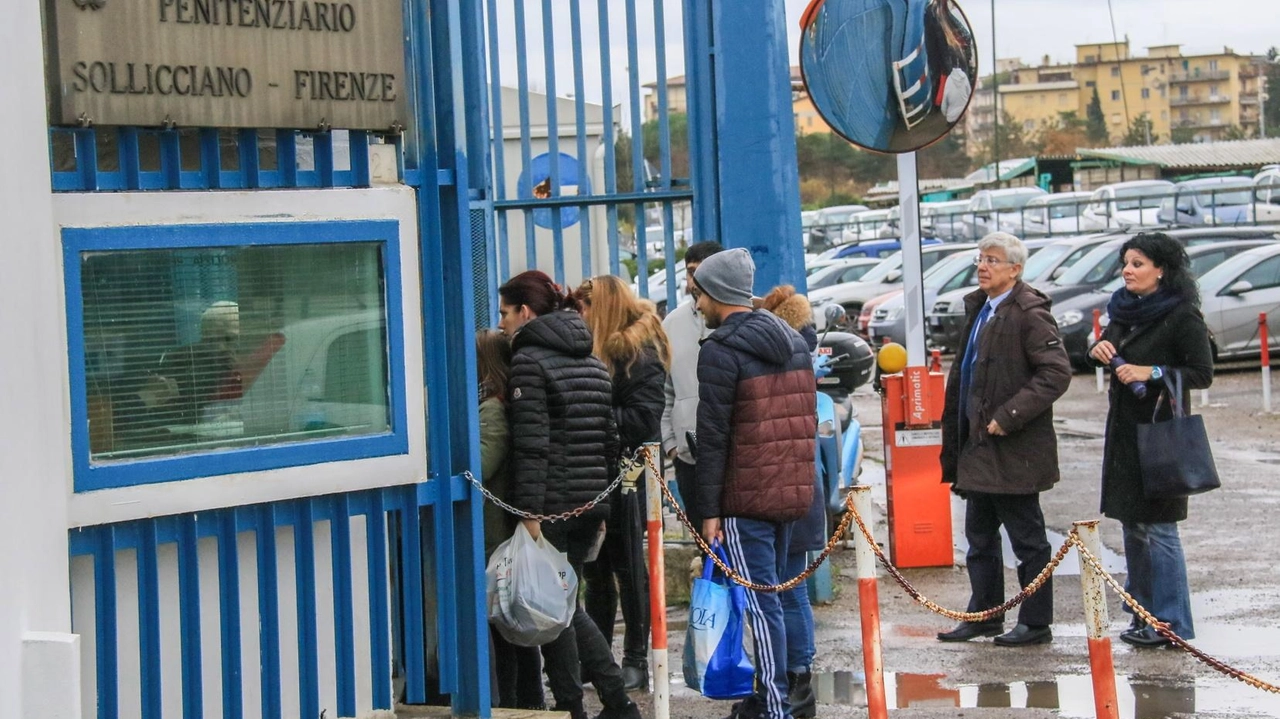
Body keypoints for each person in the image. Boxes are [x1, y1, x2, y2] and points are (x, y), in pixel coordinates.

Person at [498, 270, 640, 719]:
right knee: (560, 605)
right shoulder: (592, 360)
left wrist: (529, 513)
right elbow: (609, 440)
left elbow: (533, 444)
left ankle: (608, 703)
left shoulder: (529, 362)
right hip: (586, 504)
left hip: (552, 508)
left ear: (525, 311)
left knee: (557, 610)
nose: (500, 323)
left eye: (504, 313)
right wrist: (601, 506)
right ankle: (583, 705)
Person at [691, 248, 817, 719]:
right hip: (790, 493)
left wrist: (709, 512)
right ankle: (777, 699)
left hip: (745, 500)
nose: (696, 300)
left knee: (761, 608)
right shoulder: (795, 341)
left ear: (716, 293)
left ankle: (775, 706)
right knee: (779, 599)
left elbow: (714, 436)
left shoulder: (721, 351)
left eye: (699, 291)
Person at [937, 232, 1071, 647]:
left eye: (992, 260)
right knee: (978, 539)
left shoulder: (1029, 312)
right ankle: (985, 614)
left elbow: (1056, 373)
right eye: (980, 258)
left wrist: (1009, 416)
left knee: (1028, 541)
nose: (983, 266)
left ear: (1015, 269)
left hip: (1013, 450)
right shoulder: (982, 308)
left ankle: (1035, 622)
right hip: (977, 448)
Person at [1087, 232, 1213, 648]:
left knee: (1159, 529)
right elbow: (1110, 345)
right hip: (1125, 435)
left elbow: (1201, 372)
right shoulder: (1124, 311)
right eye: (1126, 262)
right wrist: (1101, 349)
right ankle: (1143, 613)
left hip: (1162, 436)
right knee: (1132, 526)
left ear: (1162, 270)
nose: (1128, 270)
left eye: (1138, 263)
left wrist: (1150, 372)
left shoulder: (1182, 316)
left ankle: (1173, 622)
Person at [569, 275, 671, 691]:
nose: (580, 316)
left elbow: (643, 421)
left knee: (629, 569)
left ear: (603, 309)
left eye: (585, 309)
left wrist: (593, 416)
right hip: (599, 471)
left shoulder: (637, 353)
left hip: (630, 473)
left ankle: (635, 659)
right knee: (597, 569)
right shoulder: (595, 351)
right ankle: (599, 658)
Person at [757, 285, 822, 719]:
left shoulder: (785, 359)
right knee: (788, 587)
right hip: (798, 484)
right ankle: (796, 676)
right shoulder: (804, 356)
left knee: (787, 588)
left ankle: (793, 677)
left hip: (785, 484)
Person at [476, 329, 545, 710]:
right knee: (511, 625)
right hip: (500, 528)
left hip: (495, 531)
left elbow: (484, 464)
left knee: (505, 625)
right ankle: (526, 701)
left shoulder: (492, 408)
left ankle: (520, 703)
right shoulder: (500, 404)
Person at [661, 241, 724, 529]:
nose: (694, 280)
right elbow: (664, 390)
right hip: (688, 457)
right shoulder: (671, 324)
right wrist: (671, 445)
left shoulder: (739, 318)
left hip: (732, 456)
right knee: (703, 539)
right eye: (690, 272)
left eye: (702, 271)